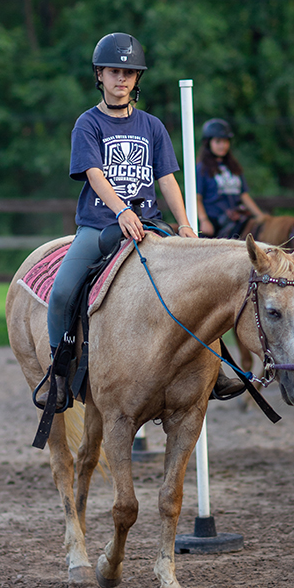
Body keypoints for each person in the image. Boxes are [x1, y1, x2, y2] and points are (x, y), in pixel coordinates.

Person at [42, 32, 242, 406]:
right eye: (114, 71)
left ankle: (216, 366)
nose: (122, 79)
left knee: (199, 285)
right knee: (62, 294)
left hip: (150, 223)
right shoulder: (87, 124)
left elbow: (167, 179)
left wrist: (184, 225)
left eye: (129, 73)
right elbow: (94, 174)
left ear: (137, 80)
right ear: (99, 74)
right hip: (100, 224)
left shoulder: (152, 126)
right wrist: (121, 211)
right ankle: (58, 375)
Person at [196, 118, 264, 238]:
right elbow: (197, 198)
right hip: (214, 220)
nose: (223, 146)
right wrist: (204, 220)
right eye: (218, 142)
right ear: (208, 143)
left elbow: (243, 195)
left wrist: (260, 216)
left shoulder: (233, 167)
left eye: (226, 141)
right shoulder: (202, 169)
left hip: (235, 218)